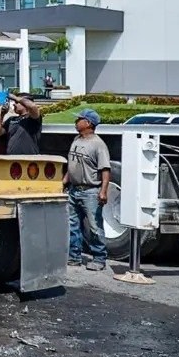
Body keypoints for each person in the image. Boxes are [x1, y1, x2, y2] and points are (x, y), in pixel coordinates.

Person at [66, 108, 112, 271]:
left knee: (94, 226)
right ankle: (74, 257)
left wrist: (103, 191)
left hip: (90, 191)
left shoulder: (98, 145)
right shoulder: (76, 140)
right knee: (72, 225)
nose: (76, 122)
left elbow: (105, 170)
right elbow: (72, 164)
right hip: (74, 190)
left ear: (88, 123)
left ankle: (99, 258)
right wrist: (64, 182)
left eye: (79, 119)